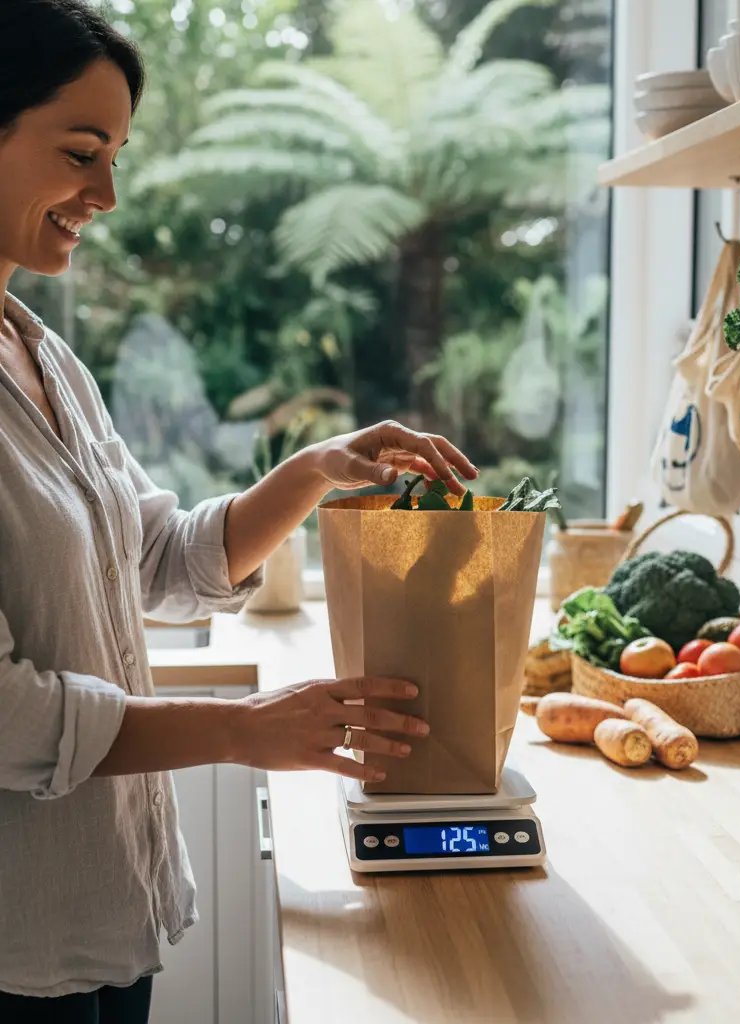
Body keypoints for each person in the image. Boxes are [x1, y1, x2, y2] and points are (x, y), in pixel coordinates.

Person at [0, 2, 479, 1018]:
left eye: (118, 154)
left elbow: (159, 560)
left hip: (104, 902)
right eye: (83, 151)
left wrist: (309, 473)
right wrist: (239, 729)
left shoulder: (44, 358)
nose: (108, 193)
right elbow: (6, 714)